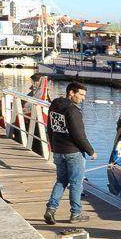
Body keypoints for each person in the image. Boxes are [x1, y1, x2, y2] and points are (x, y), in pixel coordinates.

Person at [45, 82, 96, 224]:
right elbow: (79, 135)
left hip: (58, 150)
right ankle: (76, 213)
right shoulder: (73, 111)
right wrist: (90, 151)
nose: (83, 98)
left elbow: (49, 128)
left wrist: (53, 146)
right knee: (76, 183)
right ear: (71, 93)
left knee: (61, 181)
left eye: (84, 95)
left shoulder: (54, 105)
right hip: (73, 152)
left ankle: (51, 209)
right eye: (80, 94)